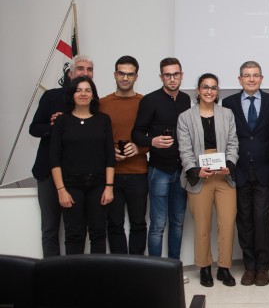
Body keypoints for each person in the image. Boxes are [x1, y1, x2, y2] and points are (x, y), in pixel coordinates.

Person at [177, 73, 239, 287]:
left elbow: (233, 143)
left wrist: (228, 165)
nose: (209, 91)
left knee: (227, 223)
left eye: (213, 88)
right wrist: (195, 170)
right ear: (198, 90)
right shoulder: (185, 117)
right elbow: (184, 149)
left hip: (224, 176)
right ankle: (204, 268)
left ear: (217, 91)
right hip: (200, 176)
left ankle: (224, 268)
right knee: (202, 225)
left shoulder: (227, 114)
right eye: (205, 87)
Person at [29, 54, 94, 257]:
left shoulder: (93, 102)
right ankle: (51, 276)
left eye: (89, 69)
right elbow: (34, 128)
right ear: (70, 73)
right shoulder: (51, 97)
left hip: (77, 175)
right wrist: (52, 126)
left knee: (77, 229)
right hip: (48, 172)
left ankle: (73, 274)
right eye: (81, 69)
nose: (85, 73)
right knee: (50, 228)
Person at [221, 61, 269, 286]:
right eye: (247, 75)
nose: (251, 79)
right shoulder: (228, 103)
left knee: (261, 219)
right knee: (244, 220)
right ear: (239, 79)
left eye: (255, 75)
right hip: (239, 170)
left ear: (262, 78)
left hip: (265, 170)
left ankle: (263, 267)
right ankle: (249, 266)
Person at [132, 57, 191, 262]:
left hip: (181, 170)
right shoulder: (149, 100)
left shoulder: (185, 100)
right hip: (159, 170)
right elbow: (136, 134)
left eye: (176, 74)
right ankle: (154, 269)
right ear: (161, 77)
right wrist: (152, 141)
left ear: (182, 76)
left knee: (178, 222)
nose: (172, 79)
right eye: (168, 75)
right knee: (157, 224)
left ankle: (173, 267)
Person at [50, 76, 114, 254]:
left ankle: (97, 279)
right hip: (70, 187)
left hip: (99, 186)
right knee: (74, 235)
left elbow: (110, 156)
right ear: (72, 95)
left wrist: (109, 187)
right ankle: (74, 279)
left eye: (87, 90)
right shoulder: (62, 121)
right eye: (78, 90)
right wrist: (61, 190)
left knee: (98, 233)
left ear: (93, 95)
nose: (83, 94)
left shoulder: (103, 120)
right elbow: (54, 159)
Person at [99, 55, 149, 255]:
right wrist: (109, 153)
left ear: (136, 76)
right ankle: (120, 268)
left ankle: (137, 267)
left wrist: (140, 148)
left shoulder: (145, 102)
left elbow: (153, 136)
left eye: (130, 74)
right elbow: (94, 137)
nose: (125, 78)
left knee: (138, 223)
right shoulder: (102, 103)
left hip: (138, 172)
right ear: (115, 74)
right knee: (114, 224)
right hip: (111, 175)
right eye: (122, 73)